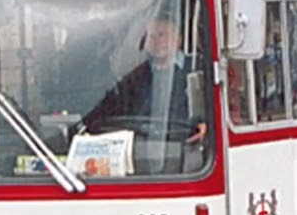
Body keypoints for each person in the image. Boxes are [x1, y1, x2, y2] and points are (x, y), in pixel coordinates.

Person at [84, 15, 206, 143]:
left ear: (178, 39)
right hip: (143, 144)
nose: (156, 41)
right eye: (151, 36)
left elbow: (216, 104)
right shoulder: (135, 77)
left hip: (190, 145)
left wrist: (208, 125)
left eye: (161, 35)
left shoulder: (199, 67)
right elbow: (108, 110)